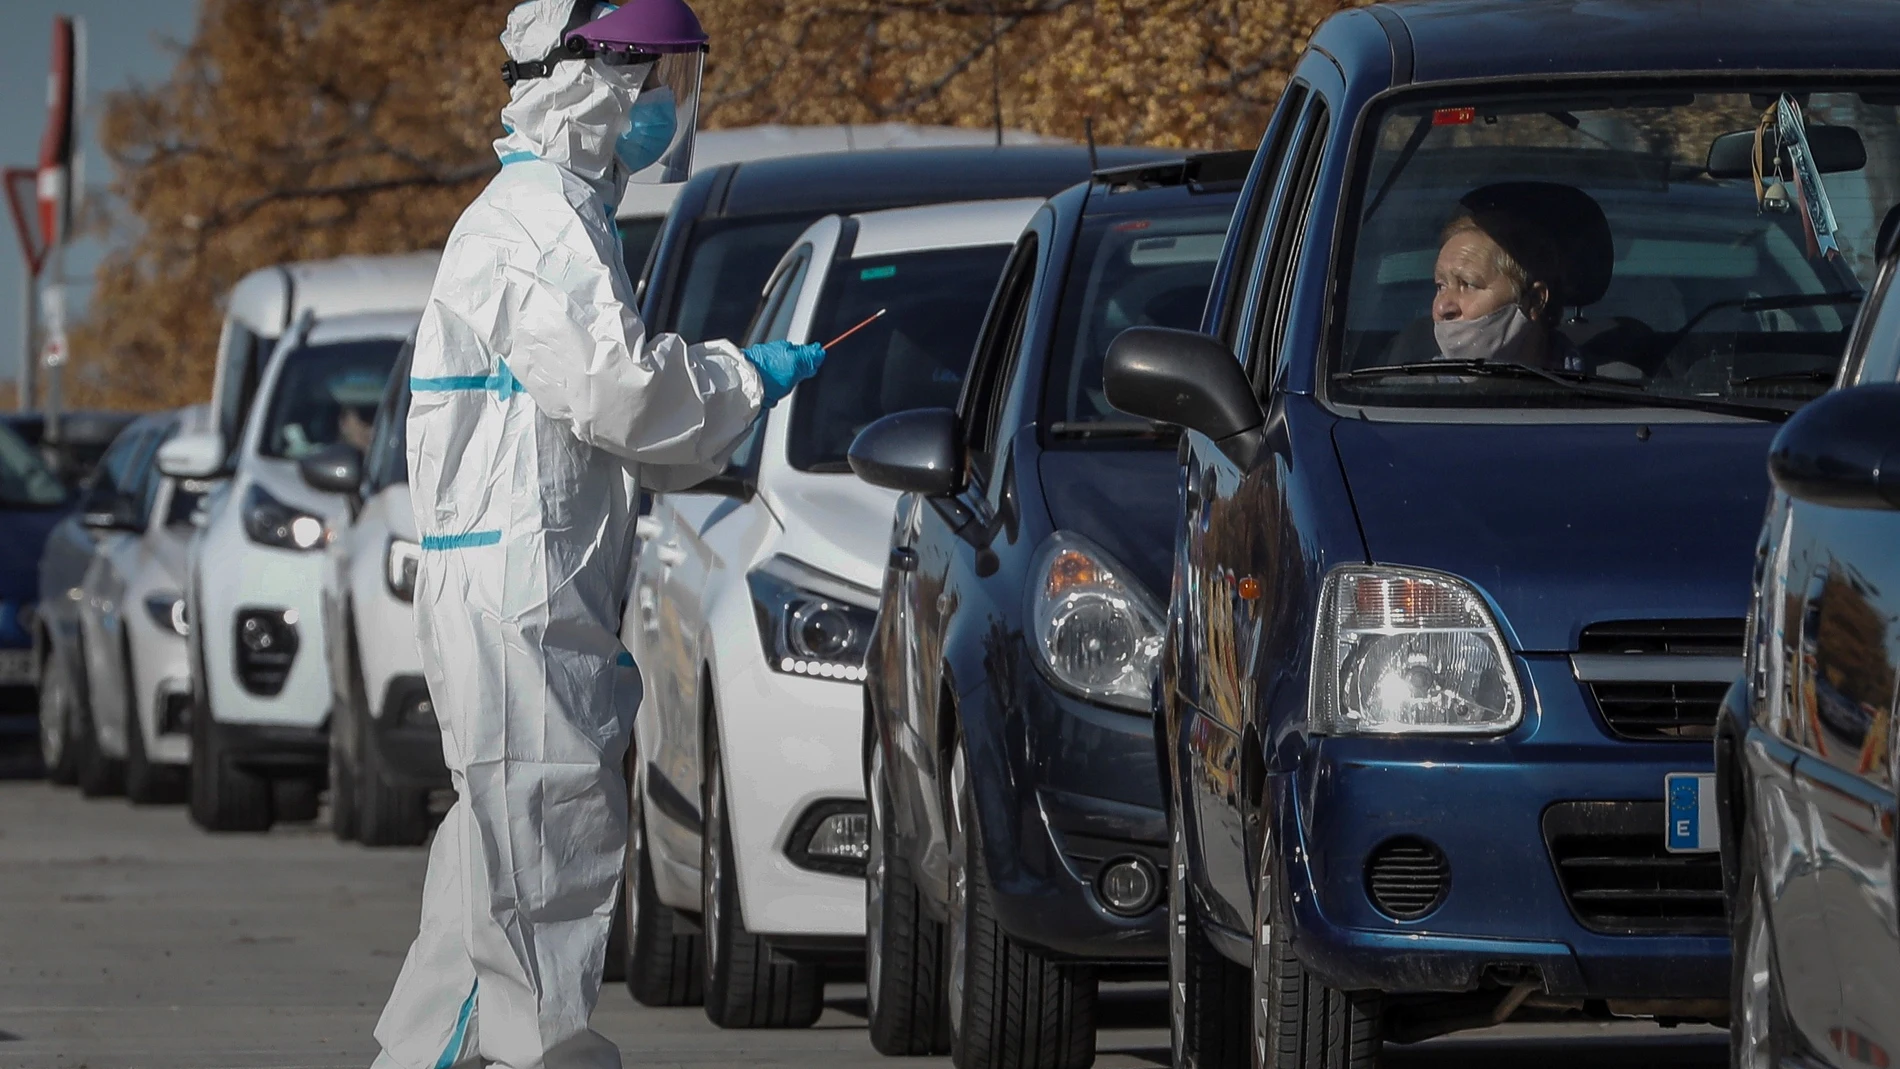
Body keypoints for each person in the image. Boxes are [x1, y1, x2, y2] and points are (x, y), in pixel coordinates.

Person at [370, 3, 824, 1067]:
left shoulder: (560, 213)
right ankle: (542, 1054)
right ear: (593, 76)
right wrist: (738, 376)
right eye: (654, 75)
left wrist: (721, 397)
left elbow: (613, 430)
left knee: (493, 876)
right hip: (520, 598)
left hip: (532, 586)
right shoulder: (536, 223)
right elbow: (621, 394)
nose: (665, 103)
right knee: (541, 847)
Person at [1430, 204, 1583, 371]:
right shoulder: (1414, 390)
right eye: (1440, 286)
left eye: (1468, 284)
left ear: (1534, 301)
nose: (1441, 307)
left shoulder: (1608, 390)